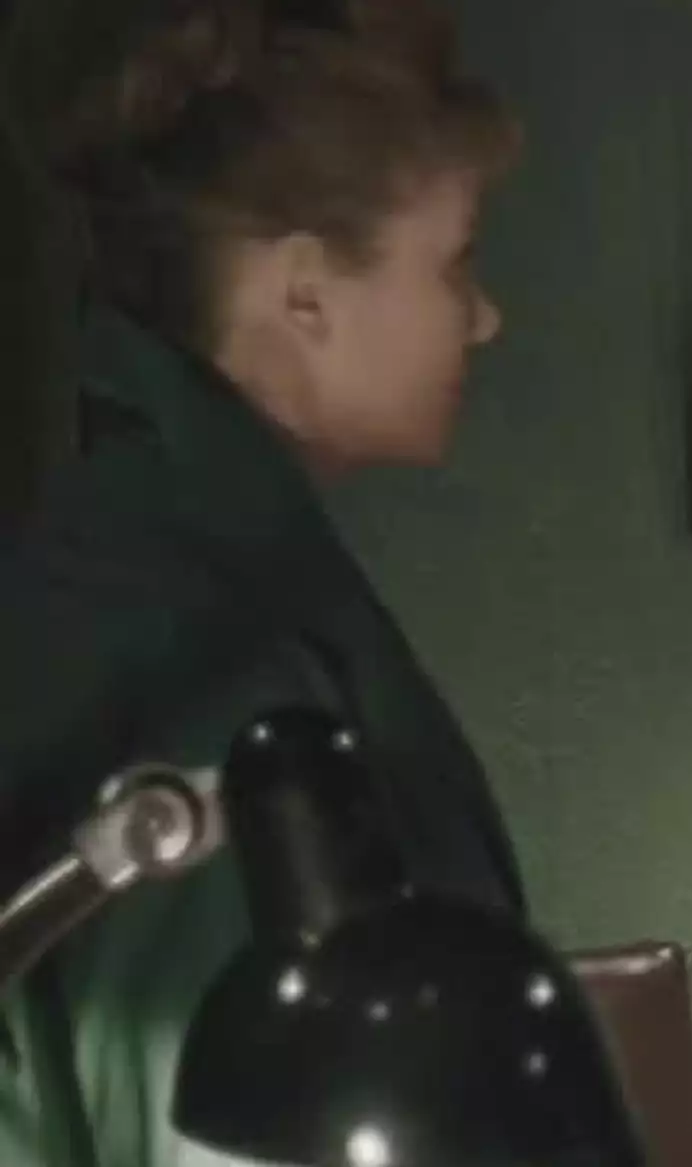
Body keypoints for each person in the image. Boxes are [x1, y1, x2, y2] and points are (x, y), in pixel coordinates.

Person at [0, 0, 525, 1162]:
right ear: (305, 294)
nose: (484, 319)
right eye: (455, 261)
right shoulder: (198, 658)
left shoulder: (140, 561)